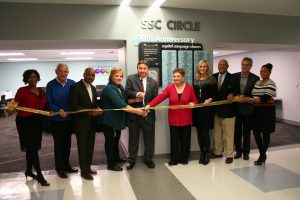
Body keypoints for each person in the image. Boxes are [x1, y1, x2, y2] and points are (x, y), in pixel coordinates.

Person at [98, 67, 148, 171]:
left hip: (117, 121)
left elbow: (125, 101)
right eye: (116, 76)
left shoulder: (119, 87)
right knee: (110, 142)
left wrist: (135, 100)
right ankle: (111, 164)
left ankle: (116, 158)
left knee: (116, 141)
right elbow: (122, 105)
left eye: (121, 76)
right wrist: (140, 112)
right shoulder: (109, 89)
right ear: (111, 76)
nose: (119, 78)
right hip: (109, 121)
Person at [145, 68, 198, 166]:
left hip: (186, 118)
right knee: (174, 140)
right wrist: (150, 105)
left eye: (178, 76)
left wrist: (192, 103)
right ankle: (174, 159)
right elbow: (160, 97)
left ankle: (184, 158)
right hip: (173, 119)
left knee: (185, 140)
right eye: (174, 76)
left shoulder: (189, 87)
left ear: (183, 77)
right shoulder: (170, 87)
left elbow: (195, 100)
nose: (175, 78)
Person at [14, 69, 49, 186]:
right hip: (25, 122)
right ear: (26, 80)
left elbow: (45, 105)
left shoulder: (41, 91)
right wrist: (11, 109)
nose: (32, 79)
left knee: (32, 148)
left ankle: (29, 171)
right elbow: (15, 106)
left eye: (34, 77)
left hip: (38, 121)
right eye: (29, 77)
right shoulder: (22, 91)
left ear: (37, 78)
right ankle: (39, 175)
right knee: (32, 148)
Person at [69, 67, 102, 181]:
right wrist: (89, 112)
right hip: (81, 123)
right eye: (88, 75)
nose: (91, 77)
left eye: (93, 75)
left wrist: (97, 108)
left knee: (90, 147)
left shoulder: (93, 88)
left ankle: (88, 168)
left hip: (92, 123)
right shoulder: (75, 87)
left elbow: (93, 104)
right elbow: (73, 106)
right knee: (82, 148)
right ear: (84, 74)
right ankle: (84, 172)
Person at [125, 60, 158, 170]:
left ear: (148, 69)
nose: (142, 70)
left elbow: (155, 98)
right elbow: (126, 92)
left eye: (144, 68)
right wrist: (137, 94)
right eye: (140, 68)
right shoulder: (131, 78)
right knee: (133, 139)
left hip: (148, 115)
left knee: (149, 139)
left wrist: (148, 108)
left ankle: (148, 159)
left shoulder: (153, 82)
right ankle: (131, 160)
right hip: (134, 115)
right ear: (137, 68)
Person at [46, 63, 78, 179]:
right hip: (57, 120)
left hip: (69, 120)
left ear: (68, 72)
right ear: (56, 72)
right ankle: (59, 168)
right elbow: (48, 102)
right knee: (59, 145)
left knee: (67, 144)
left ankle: (67, 166)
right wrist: (58, 110)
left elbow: (76, 98)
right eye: (61, 71)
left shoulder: (72, 83)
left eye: (65, 71)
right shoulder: (50, 85)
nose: (63, 74)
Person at [212, 59, 239, 164]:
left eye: (224, 65)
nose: (221, 66)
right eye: (220, 64)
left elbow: (237, 92)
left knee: (229, 134)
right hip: (216, 111)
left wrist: (233, 94)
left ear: (227, 66)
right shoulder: (213, 77)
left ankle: (229, 155)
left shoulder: (233, 78)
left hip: (229, 112)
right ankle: (218, 152)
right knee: (217, 133)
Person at [249, 63, 276, 165]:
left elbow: (265, 98)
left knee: (265, 133)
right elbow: (253, 95)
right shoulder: (257, 82)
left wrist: (251, 99)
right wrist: (249, 98)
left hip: (267, 112)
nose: (262, 73)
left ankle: (262, 156)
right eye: (261, 71)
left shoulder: (271, 83)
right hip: (256, 111)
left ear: (269, 72)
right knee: (256, 133)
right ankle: (263, 154)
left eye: (265, 71)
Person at [233, 57, 260, 161]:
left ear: (250, 66)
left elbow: (256, 95)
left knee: (247, 133)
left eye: (246, 65)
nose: (244, 66)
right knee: (237, 132)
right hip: (237, 109)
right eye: (243, 64)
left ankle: (246, 152)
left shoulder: (255, 78)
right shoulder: (235, 76)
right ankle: (238, 151)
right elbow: (232, 91)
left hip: (249, 109)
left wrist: (248, 99)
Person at [193, 60, 217, 165]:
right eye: (201, 67)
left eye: (204, 67)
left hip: (207, 109)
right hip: (197, 109)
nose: (203, 68)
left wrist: (210, 100)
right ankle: (201, 153)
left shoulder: (212, 79)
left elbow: (216, 94)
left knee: (205, 132)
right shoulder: (195, 80)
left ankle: (207, 153)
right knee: (199, 132)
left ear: (207, 68)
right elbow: (193, 94)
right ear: (198, 68)